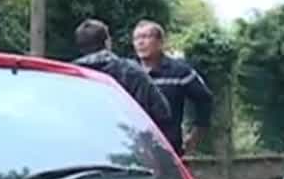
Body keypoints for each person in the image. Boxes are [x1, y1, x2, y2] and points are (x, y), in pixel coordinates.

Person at [132, 20, 214, 158]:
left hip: (169, 149)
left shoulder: (180, 71)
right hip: (133, 149)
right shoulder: (128, 71)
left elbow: (205, 99)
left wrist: (195, 135)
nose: (140, 42)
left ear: (160, 42)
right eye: (136, 38)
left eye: (146, 37)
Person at [72, 19, 172, 128]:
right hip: (125, 140)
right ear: (107, 42)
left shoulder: (68, 76)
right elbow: (162, 113)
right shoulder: (131, 71)